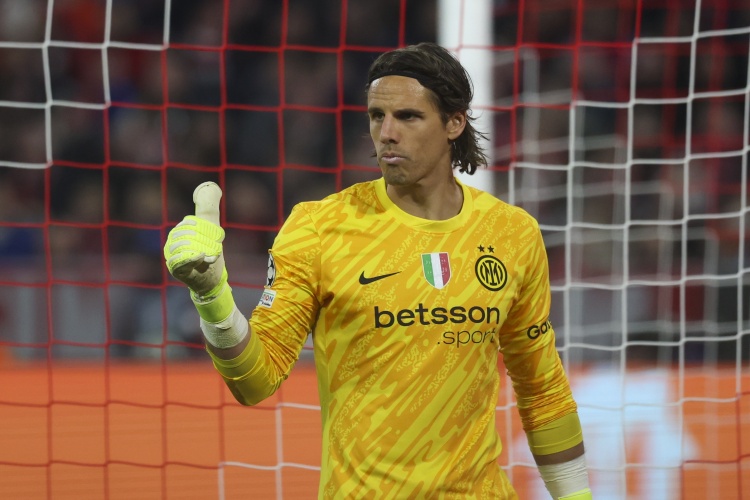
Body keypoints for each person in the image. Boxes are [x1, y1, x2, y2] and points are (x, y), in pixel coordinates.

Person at [164, 42, 591, 499]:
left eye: (408, 116)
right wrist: (212, 296)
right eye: (376, 116)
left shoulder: (512, 234)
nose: (386, 133)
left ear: (454, 122)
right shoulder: (320, 228)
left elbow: (542, 389)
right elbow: (255, 381)